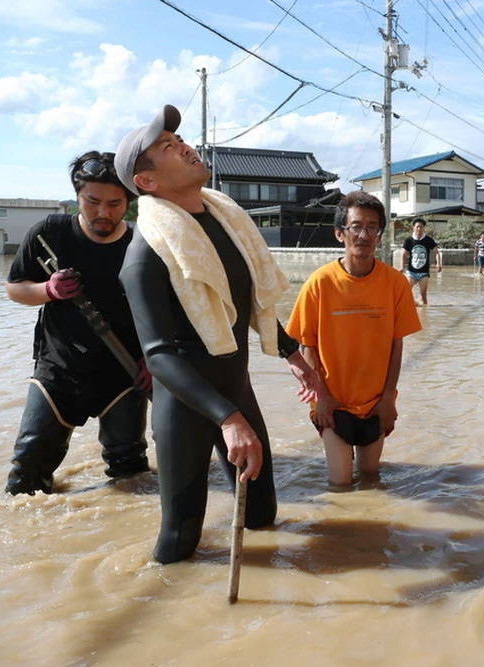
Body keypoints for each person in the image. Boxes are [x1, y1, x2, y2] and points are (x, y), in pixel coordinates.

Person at [114, 104, 320, 564]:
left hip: (235, 388)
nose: (185, 147)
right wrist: (229, 420)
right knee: (180, 540)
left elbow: (246, 305)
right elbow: (159, 356)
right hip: (186, 405)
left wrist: (292, 354)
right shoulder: (145, 256)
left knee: (262, 515)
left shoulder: (225, 223)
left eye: (179, 140)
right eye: (167, 147)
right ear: (147, 182)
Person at [5, 151, 151, 496]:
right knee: (25, 479)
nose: (103, 212)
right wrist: (48, 289)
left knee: (132, 477)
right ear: (76, 197)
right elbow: (14, 289)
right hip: (59, 369)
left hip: (125, 372)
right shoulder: (50, 233)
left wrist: (154, 358)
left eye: (115, 203)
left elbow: (165, 310)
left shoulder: (142, 243)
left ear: (128, 202)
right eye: (92, 201)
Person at [286, 191, 421, 489]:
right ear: (340, 234)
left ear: (380, 234)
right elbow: (307, 344)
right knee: (340, 483)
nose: (364, 234)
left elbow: (396, 345)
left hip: (376, 404)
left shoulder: (396, 283)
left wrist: (388, 398)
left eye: (372, 227)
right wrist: (321, 398)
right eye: (356, 226)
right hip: (332, 404)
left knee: (372, 478)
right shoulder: (319, 283)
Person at [402, 217, 441, 305]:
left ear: (424, 228)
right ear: (414, 228)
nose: (419, 229)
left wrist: (438, 264)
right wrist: (402, 267)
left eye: (421, 227)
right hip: (411, 272)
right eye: (417, 227)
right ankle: (414, 304)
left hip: (424, 273)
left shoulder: (428, 240)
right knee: (405, 292)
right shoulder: (409, 240)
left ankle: (424, 314)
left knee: (423, 296)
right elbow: (403, 254)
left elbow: (437, 253)